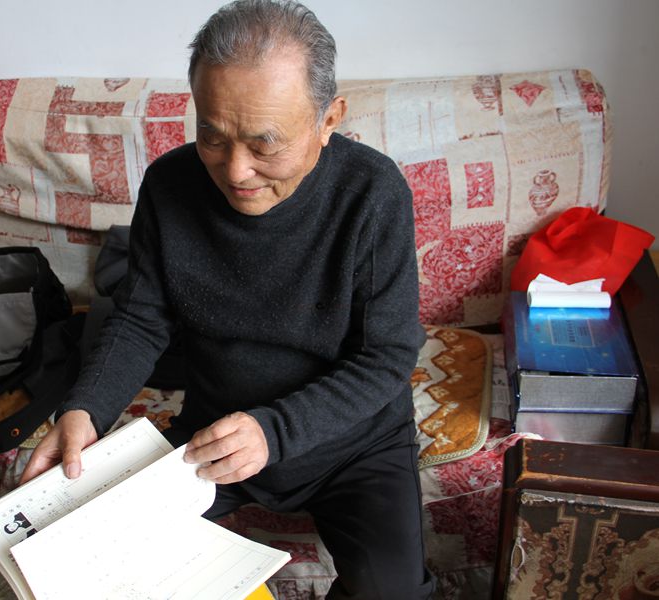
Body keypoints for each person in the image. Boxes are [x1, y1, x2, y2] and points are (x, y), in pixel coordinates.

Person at [21, 1, 434, 597]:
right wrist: (86, 409)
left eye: (265, 145)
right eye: (212, 136)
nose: (236, 171)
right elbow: (140, 317)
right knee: (91, 561)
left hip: (354, 442)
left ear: (329, 119)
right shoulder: (170, 183)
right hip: (215, 434)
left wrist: (275, 431)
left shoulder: (372, 193)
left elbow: (387, 357)